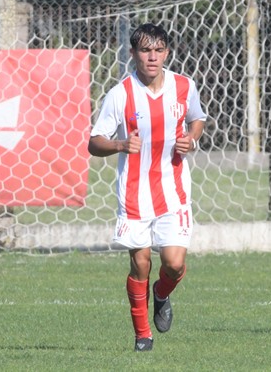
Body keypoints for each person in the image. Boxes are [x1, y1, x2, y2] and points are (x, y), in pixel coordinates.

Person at [88, 23, 207, 352]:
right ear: (133, 54)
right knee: (140, 264)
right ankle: (143, 335)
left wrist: (191, 139)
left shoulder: (184, 86)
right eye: (145, 50)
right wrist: (120, 145)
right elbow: (94, 143)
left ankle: (162, 293)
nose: (152, 57)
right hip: (134, 195)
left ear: (167, 53)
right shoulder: (121, 94)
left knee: (174, 264)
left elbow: (197, 118)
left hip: (174, 191)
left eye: (158, 50)